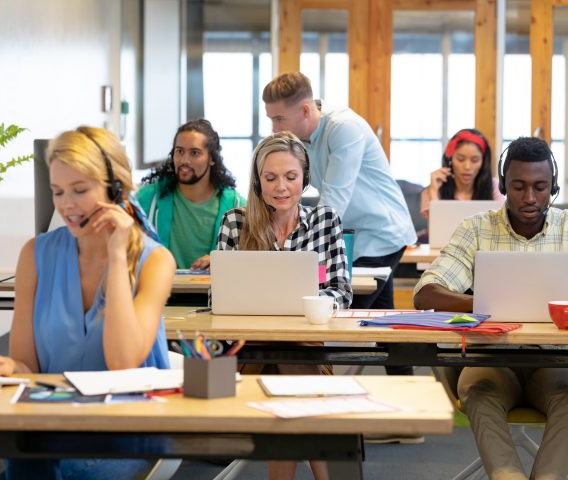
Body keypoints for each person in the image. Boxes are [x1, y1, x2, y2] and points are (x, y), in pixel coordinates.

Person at [0, 126, 176, 480]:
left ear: (115, 189)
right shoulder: (35, 254)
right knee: (30, 459)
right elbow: (28, 365)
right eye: (57, 192)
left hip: (128, 431)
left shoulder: (155, 261)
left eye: (80, 190)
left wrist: (118, 255)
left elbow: (123, 363)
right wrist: (6, 365)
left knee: (36, 466)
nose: (67, 205)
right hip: (52, 425)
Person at [413, 136, 568, 480]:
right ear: (504, 185)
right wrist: (488, 304)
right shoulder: (476, 228)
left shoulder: (567, 228)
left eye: (540, 187)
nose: (529, 198)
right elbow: (426, 293)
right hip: (492, 362)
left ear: (553, 185)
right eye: (518, 186)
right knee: (479, 390)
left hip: (556, 364)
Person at [262, 72, 417, 390]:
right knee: (386, 327)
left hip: (381, 234)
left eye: (279, 119)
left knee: (335, 318)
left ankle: (332, 403)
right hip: (354, 237)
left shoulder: (343, 128)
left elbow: (334, 202)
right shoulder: (302, 139)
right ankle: (407, 417)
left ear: (305, 110)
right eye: (271, 120)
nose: (275, 129)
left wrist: (296, 247)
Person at [216, 131, 352, 480]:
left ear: (305, 178)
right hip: (249, 352)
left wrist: (310, 306)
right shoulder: (236, 221)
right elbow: (218, 297)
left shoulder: (324, 220)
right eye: (270, 177)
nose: (281, 187)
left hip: (306, 344)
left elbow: (340, 291)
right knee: (292, 372)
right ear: (257, 181)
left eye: (291, 177)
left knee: (291, 364)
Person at [137, 119, 245, 270]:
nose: (184, 160)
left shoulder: (237, 206)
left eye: (194, 153)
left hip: (217, 292)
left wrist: (222, 260)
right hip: (161, 291)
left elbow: (253, 262)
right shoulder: (146, 199)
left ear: (212, 159)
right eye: (179, 151)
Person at [421, 128, 504, 220]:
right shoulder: (432, 190)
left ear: (483, 162)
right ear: (450, 159)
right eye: (460, 159)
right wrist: (433, 192)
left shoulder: (494, 187)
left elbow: (502, 225)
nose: (467, 167)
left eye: (474, 160)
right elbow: (434, 230)